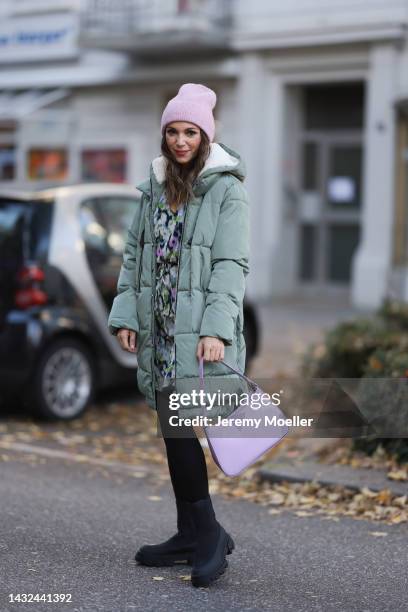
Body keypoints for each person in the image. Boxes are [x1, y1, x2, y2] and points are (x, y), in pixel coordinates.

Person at [107, 83, 250, 588]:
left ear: (206, 136)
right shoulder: (155, 186)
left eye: (190, 131)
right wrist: (127, 315)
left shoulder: (227, 189)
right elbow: (134, 256)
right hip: (160, 329)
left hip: (197, 333)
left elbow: (231, 266)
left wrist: (216, 331)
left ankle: (208, 534)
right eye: (173, 131)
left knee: (181, 428)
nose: (181, 140)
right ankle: (191, 532)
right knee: (172, 430)